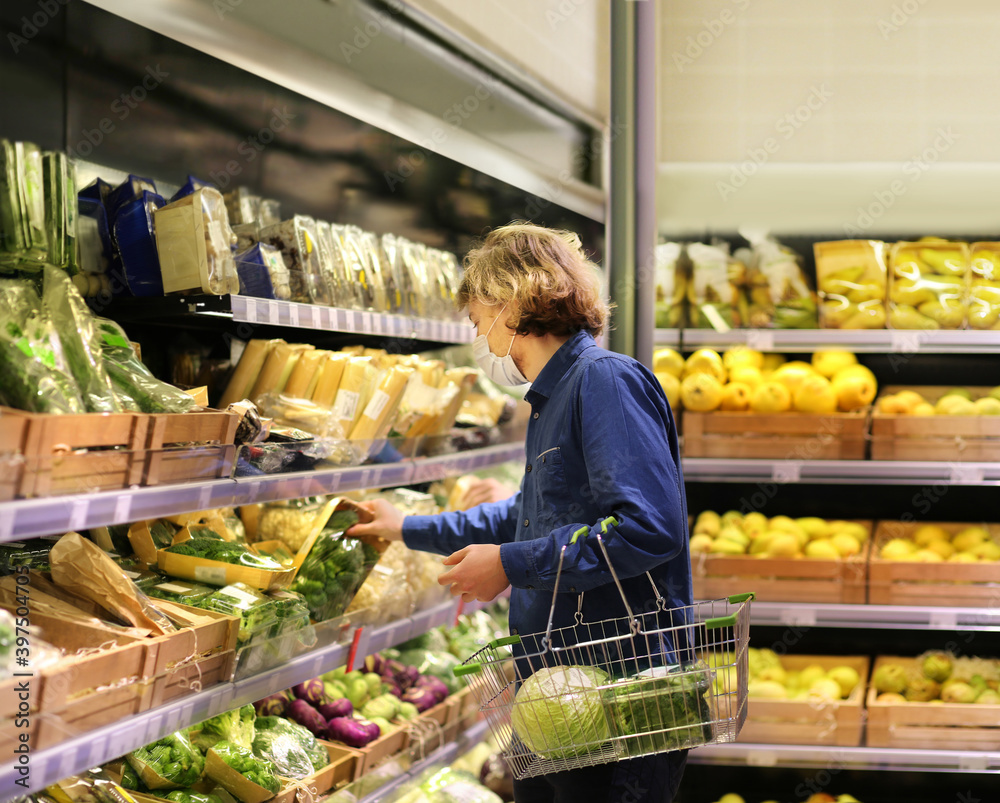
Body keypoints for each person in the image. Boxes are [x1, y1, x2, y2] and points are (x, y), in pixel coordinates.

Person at [347, 223, 693, 803]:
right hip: (557, 695)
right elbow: (527, 518)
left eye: (479, 319)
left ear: (513, 304)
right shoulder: (551, 400)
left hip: (619, 698)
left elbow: (649, 528)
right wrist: (406, 526)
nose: (479, 336)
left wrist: (511, 565)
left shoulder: (603, 382)